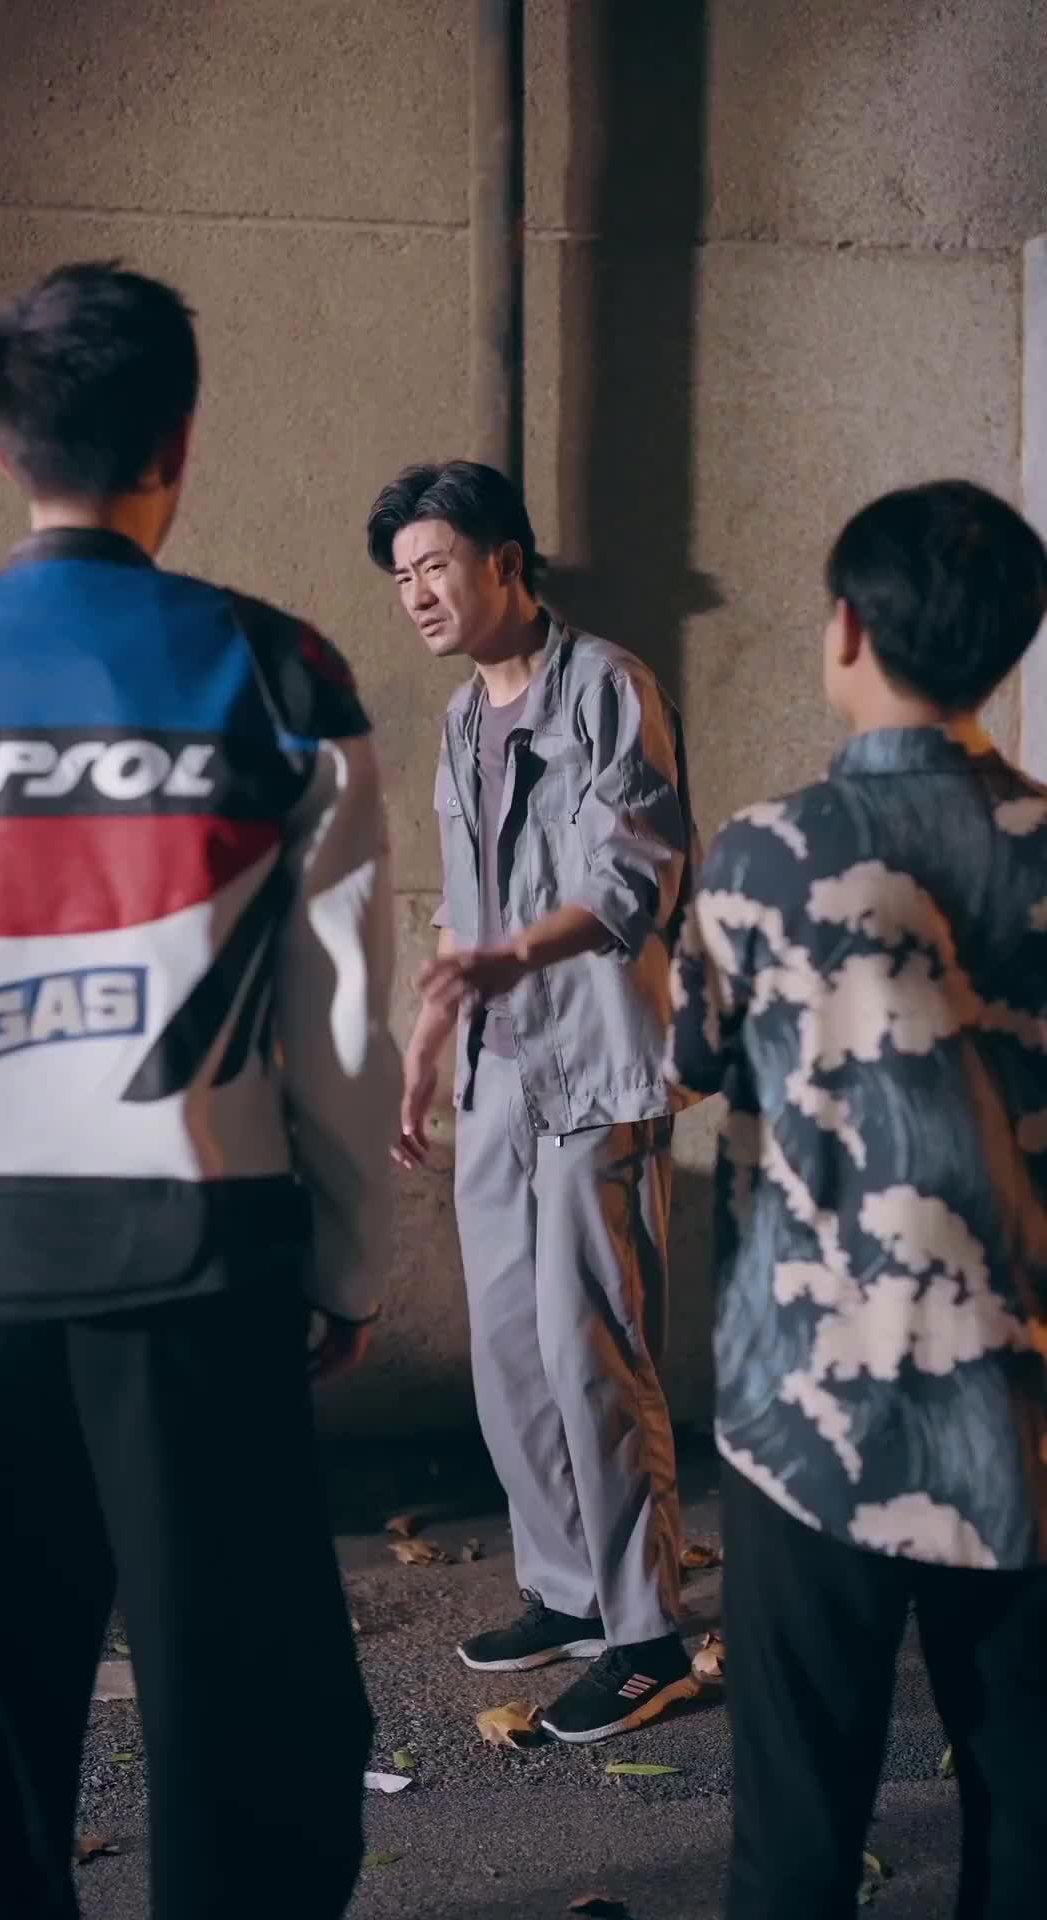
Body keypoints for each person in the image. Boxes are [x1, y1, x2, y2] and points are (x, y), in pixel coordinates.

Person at [0, 261, 397, 1920]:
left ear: (3, 443)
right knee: (248, 1728)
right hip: (198, 1273)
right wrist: (348, 1269)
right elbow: (341, 1025)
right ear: (181, 442)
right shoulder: (279, 672)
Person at [667, 479, 1047, 1919]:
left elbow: (691, 1058)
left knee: (796, 1835)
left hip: (806, 1417)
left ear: (846, 628)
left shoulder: (766, 853)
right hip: (1023, 1418)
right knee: (1026, 1820)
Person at [368, 459, 699, 1743]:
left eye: (435, 565)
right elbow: (462, 909)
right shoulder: (465, 718)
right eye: (402, 576)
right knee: (510, 1349)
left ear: (506, 561)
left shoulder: (609, 685)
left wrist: (515, 956)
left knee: (590, 1349)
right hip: (496, 1069)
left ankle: (647, 1636)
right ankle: (566, 1591)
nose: (417, 593)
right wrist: (424, 1043)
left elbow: (636, 875)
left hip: (596, 1062)